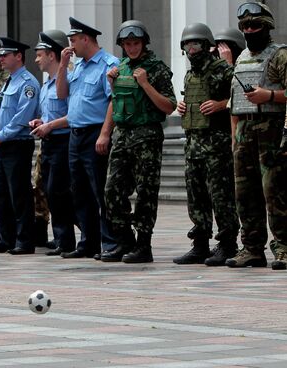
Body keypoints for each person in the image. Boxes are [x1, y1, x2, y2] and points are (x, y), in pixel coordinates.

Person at [97, 20, 176, 263]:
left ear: (144, 43)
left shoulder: (156, 68)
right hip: (123, 136)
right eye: (127, 44)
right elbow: (115, 101)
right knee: (112, 191)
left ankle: (144, 245)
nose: (131, 48)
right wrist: (105, 133)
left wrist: (145, 84)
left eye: (136, 43)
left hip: (147, 137)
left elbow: (169, 106)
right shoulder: (120, 68)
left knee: (145, 193)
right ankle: (124, 241)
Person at [172, 23, 239, 266]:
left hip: (216, 145)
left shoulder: (221, 69)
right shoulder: (190, 74)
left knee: (221, 197)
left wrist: (221, 105)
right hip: (193, 145)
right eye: (188, 45)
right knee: (196, 197)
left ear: (207, 45)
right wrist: (182, 106)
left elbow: (241, 94)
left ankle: (228, 244)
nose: (192, 49)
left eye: (196, 44)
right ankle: (200, 244)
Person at [226, 2, 287, 270]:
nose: (250, 30)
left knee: (275, 192)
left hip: (271, 130)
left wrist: (269, 95)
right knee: (245, 193)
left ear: (267, 27)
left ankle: (284, 246)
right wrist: (233, 137)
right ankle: (251, 248)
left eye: (255, 26)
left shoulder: (280, 55)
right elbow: (235, 102)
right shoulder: (240, 58)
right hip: (244, 133)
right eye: (245, 26)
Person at [56, 17, 119, 259]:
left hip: (95, 132)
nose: (70, 46)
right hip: (76, 135)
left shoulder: (108, 64)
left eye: (73, 41)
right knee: (79, 191)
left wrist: (105, 133)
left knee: (100, 190)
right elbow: (62, 95)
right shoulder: (78, 66)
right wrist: (63, 65)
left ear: (85, 39)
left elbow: (113, 100)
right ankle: (88, 242)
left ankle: (110, 241)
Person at [0, 37, 39, 255]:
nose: (0, 58)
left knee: (19, 194)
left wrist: (1, 134)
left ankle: (24, 240)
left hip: (16, 143)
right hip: (2, 144)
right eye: (0, 55)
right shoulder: (9, 81)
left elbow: (22, 117)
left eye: (5, 55)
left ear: (18, 56)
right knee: (2, 194)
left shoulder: (28, 83)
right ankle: (5, 239)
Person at [29, 30, 77, 257]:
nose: (36, 59)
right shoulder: (47, 84)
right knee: (51, 191)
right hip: (48, 142)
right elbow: (49, 115)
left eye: (40, 55)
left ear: (51, 55)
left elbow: (74, 114)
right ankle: (62, 238)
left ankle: (67, 240)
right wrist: (41, 122)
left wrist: (50, 126)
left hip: (63, 141)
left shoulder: (68, 78)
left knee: (58, 192)